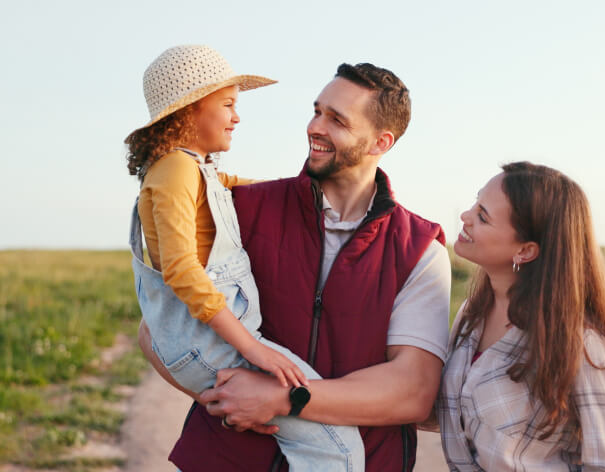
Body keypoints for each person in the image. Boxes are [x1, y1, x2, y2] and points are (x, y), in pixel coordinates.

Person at [139, 62, 452, 471]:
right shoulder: (243, 210)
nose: (314, 127)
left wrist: (281, 400)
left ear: (380, 142)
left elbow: (412, 391)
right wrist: (224, 397)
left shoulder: (420, 250)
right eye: (317, 110)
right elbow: (158, 328)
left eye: (336, 119)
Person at [126, 45, 365, 472]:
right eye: (228, 104)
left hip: (204, 340)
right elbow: (182, 272)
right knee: (339, 447)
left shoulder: (189, 168)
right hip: (211, 339)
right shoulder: (176, 171)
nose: (237, 117)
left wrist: (311, 187)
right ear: (189, 111)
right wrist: (254, 349)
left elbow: (233, 187)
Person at [436, 162, 605, 471]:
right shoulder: (470, 315)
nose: (466, 217)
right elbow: (454, 416)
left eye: (483, 216)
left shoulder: (583, 345)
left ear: (525, 251)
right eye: (476, 202)